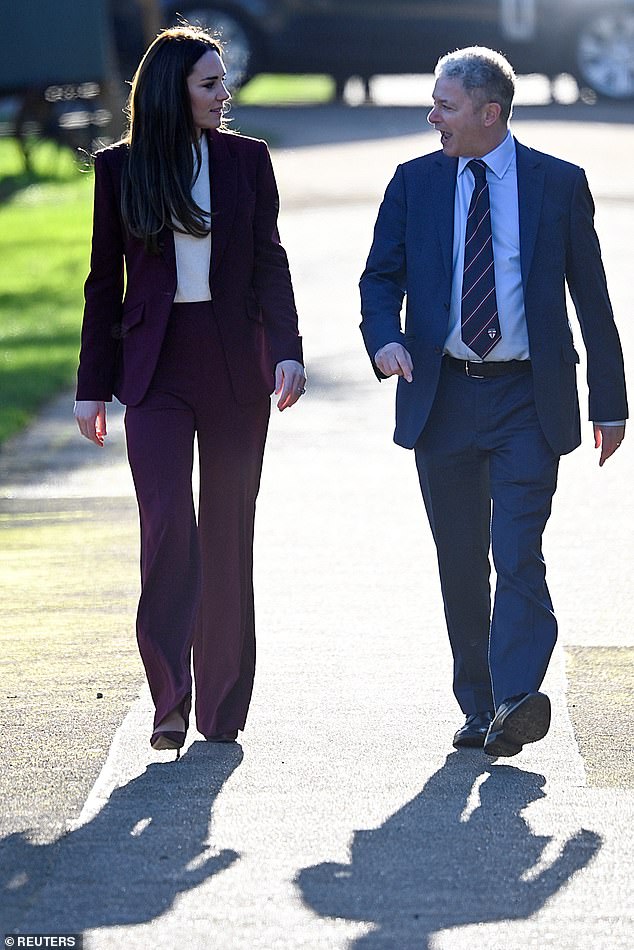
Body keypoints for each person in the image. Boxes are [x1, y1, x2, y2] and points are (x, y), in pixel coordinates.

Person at [360, 47, 627, 757]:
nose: (432, 116)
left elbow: (593, 300)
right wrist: (385, 340)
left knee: (517, 549)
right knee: (460, 558)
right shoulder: (413, 182)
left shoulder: (556, 183)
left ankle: (516, 697)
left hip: (525, 397)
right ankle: (478, 705)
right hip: (440, 392)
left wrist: (609, 402)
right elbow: (379, 278)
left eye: (444, 105)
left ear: (489, 112)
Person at [74, 25, 305, 754]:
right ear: (173, 90)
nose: (223, 95)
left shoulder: (247, 162)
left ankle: (222, 709)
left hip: (237, 365)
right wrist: (91, 386)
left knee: (229, 531)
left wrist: (289, 353)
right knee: (170, 524)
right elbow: (101, 281)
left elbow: (271, 261)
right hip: (156, 369)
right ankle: (169, 698)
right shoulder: (120, 169)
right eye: (209, 84)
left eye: (222, 82)